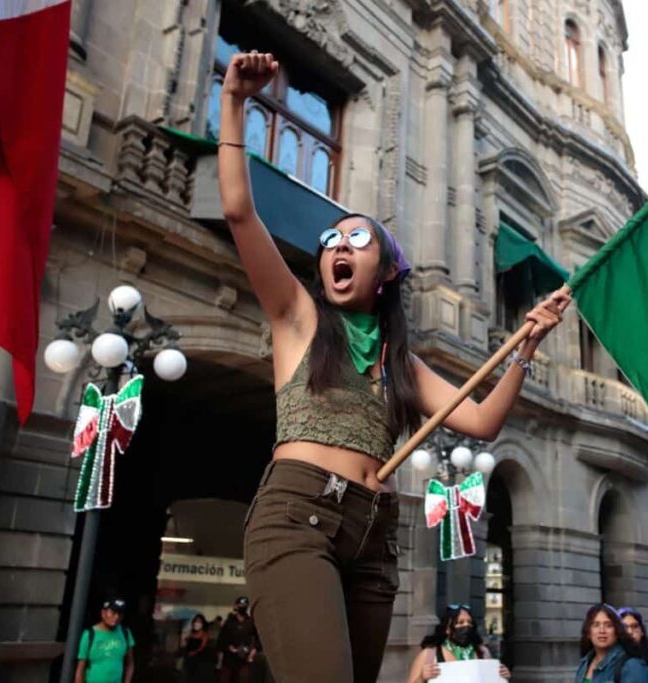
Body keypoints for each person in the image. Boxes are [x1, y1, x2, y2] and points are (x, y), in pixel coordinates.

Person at [219, 50, 569, 683]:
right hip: (297, 516)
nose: (336, 248)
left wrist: (526, 344)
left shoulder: (401, 363)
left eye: (357, 240)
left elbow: (484, 421)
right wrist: (235, 102)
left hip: (375, 535)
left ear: (385, 273)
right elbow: (241, 210)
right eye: (331, 242)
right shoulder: (298, 318)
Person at [407, 604, 511, 681]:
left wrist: (503, 677)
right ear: (447, 629)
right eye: (460, 622)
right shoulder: (429, 654)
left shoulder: (482, 652)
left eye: (469, 622)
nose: (466, 626)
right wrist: (421, 678)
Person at [575, 604, 648, 683]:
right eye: (596, 625)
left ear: (617, 631)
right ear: (588, 632)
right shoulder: (585, 663)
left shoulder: (632, 666)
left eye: (608, 625)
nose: (602, 631)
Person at [74, 598, 135, 683]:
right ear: (103, 613)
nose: (116, 617)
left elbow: (130, 664)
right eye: (113, 613)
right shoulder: (89, 635)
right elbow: (80, 668)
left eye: (120, 614)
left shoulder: (126, 633)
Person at [217, 597, 259, 683]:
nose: (243, 606)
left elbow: (258, 640)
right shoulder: (229, 622)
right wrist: (229, 648)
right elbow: (221, 641)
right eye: (241, 604)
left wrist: (252, 652)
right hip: (228, 661)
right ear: (236, 606)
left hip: (244, 660)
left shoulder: (251, 623)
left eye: (245, 605)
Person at [182, 613, 215, 683]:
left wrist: (194, 653)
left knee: (196, 677)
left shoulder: (204, 634)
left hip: (198, 659)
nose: (197, 623)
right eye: (196, 621)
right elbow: (187, 644)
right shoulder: (191, 632)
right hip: (188, 658)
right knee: (187, 676)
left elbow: (202, 647)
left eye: (199, 621)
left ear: (202, 623)